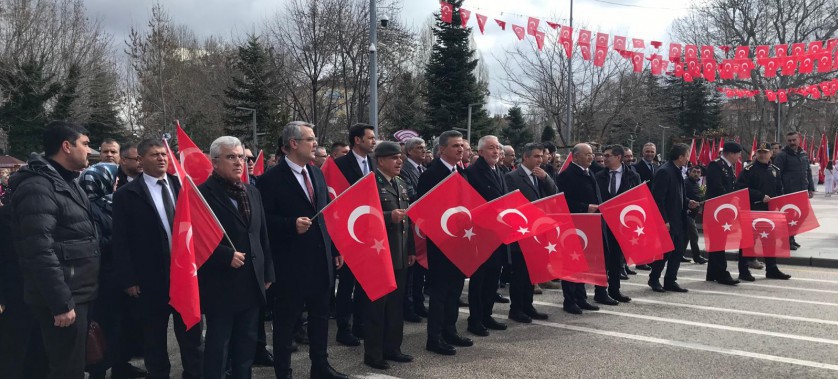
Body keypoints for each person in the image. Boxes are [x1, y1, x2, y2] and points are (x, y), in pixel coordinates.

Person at [256, 121, 348, 379]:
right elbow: (263, 221)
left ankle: (320, 366)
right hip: (290, 265)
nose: (315, 143)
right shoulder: (270, 179)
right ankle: (283, 372)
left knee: (319, 319)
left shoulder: (316, 173)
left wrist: (335, 249)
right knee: (286, 324)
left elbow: (325, 215)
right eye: (310, 139)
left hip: (321, 261)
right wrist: (289, 225)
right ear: (293, 144)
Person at [9, 121, 98, 379]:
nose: (89, 150)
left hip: (78, 294)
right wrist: (60, 302)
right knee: (65, 370)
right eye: (85, 143)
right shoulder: (38, 186)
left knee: (73, 365)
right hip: (63, 300)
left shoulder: (67, 182)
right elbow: (38, 251)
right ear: (66, 146)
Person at [112, 139, 203, 379]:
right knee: (154, 338)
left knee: (191, 335)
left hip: (183, 275)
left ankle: (193, 373)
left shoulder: (181, 185)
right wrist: (128, 279)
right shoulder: (126, 195)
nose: (162, 158)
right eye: (155, 155)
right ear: (141, 161)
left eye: (164, 154)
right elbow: (120, 241)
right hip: (150, 278)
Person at [198, 136, 275, 379]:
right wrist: (224, 255)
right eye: (231, 157)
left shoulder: (251, 191)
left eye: (241, 157)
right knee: (218, 347)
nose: (239, 162)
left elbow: (261, 235)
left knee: (246, 345)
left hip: (251, 281)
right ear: (215, 162)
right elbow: (195, 237)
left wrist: (268, 271)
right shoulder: (201, 194)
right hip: (221, 284)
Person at [81, 163, 147, 379]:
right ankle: (98, 371)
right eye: (114, 178)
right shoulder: (90, 208)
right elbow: (96, 242)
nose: (117, 181)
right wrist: (123, 239)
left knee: (122, 326)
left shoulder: (114, 202)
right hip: (103, 278)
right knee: (104, 328)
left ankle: (121, 365)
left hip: (119, 276)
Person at [357, 141, 416, 370]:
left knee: (395, 305)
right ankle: (373, 353)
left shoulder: (400, 184)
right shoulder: (370, 183)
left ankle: (393, 348)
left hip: (399, 253)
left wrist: (410, 249)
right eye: (394, 158)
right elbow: (363, 216)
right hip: (378, 256)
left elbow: (407, 220)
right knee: (377, 307)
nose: (399, 161)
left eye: (400, 157)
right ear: (380, 160)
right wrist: (388, 215)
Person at [418, 130, 474, 355]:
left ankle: (450, 330)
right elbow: (424, 210)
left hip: (460, 241)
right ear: (442, 149)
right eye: (455, 146)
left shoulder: (461, 172)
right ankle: (434, 338)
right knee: (440, 293)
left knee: (454, 290)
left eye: (461, 146)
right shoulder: (431, 174)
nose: (460, 149)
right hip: (440, 243)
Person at [1, 170, 48, 379]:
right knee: (14, 352)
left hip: (43, 294)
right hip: (14, 294)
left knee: (40, 353)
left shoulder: (48, 214)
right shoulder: (4, 217)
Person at [333, 123, 377, 347]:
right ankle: (344, 328)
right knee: (347, 285)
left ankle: (361, 324)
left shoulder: (374, 164)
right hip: (348, 232)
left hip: (370, 232)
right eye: (370, 137)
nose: (374, 141)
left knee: (365, 283)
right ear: (357, 140)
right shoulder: (340, 165)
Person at [504, 143, 556, 321]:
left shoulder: (540, 176)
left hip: (538, 231)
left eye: (541, 156)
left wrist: (546, 178)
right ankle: (516, 309)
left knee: (531, 273)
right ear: (525, 158)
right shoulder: (512, 176)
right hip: (521, 232)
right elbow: (510, 203)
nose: (539, 160)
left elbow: (554, 194)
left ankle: (528, 305)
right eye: (535, 156)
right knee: (519, 274)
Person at [464, 136, 509, 336]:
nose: (496, 151)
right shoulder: (472, 172)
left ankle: (487, 315)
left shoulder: (499, 170)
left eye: (498, 148)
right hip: (480, 234)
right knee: (479, 279)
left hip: (498, 232)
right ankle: (475, 319)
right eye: (491, 148)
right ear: (480, 151)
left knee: (493, 277)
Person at [735, 142, 792, 282]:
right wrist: (760, 196)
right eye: (760, 152)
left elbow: (779, 189)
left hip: (770, 212)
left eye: (765, 152)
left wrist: (780, 204)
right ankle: (743, 270)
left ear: (771, 153)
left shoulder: (775, 170)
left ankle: (771, 269)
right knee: (748, 241)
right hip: (753, 210)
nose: (762, 154)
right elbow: (741, 189)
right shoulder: (749, 170)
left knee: (770, 241)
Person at [556, 143, 602, 315]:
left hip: (588, 225)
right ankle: (570, 300)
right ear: (575, 157)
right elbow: (563, 201)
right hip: (573, 225)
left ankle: (581, 298)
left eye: (591, 154)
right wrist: (584, 208)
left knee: (584, 263)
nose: (591, 157)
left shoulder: (589, 172)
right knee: (571, 264)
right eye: (587, 154)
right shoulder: (567, 175)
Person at [649, 143, 699, 293]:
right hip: (668, 220)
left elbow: (678, 193)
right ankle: (654, 278)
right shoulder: (665, 171)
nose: (688, 159)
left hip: (679, 219)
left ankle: (671, 280)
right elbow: (658, 198)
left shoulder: (677, 170)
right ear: (680, 157)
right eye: (687, 156)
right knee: (665, 252)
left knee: (677, 252)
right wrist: (664, 220)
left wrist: (688, 201)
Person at [594, 144, 641, 303]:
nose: (604, 159)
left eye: (608, 156)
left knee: (616, 258)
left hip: (622, 223)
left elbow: (638, 199)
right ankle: (600, 291)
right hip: (602, 223)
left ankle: (615, 290)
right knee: (602, 259)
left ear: (618, 157)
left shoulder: (633, 176)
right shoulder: (599, 176)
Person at [704, 142, 744, 285]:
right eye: (738, 154)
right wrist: (730, 199)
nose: (739, 157)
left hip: (724, 209)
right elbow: (716, 187)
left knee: (719, 242)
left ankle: (712, 272)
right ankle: (721, 272)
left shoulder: (727, 166)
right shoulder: (716, 165)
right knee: (718, 241)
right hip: (717, 210)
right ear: (731, 153)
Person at [399, 137, 426, 321]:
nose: (423, 150)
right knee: (410, 271)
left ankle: (418, 303)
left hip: (421, 226)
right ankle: (408, 307)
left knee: (419, 271)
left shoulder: (423, 169)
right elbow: (411, 194)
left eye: (424, 147)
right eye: (419, 148)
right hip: (409, 225)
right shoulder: (404, 170)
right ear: (409, 151)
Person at [773, 131, 815, 251]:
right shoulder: (782, 155)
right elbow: (776, 174)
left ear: (799, 139)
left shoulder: (803, 154)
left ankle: (792, 237)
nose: (792, 143)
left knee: (803, 214)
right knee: (789, 217)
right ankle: (786, 240)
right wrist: (780, 191)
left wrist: (810, 188)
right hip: (788, 193)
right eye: (789, 140)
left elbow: (808, 172)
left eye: (794, 140)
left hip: (802, 192)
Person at [685, 165, 707, 264]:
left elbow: (699, 197)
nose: (696, 174)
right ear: (689, 172)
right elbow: (681, 195)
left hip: (693, 214)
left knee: (685, 236)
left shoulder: (696, 184)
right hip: (686, 213)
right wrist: (689, 202)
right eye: (694, 171)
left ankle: (680, 254)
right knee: (694, 235)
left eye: (698, 172)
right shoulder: (686, 183)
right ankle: (697, 256)